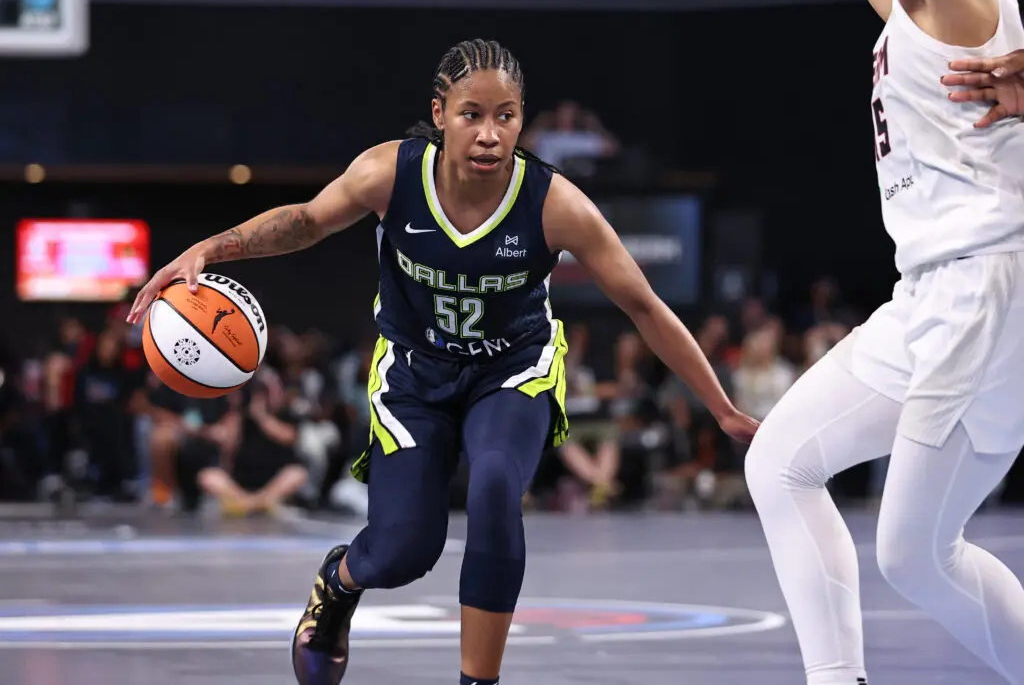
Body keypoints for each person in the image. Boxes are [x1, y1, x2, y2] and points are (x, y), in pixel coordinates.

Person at [126, 38, 759, 685]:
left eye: (506, 116)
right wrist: (210, 249)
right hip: (413, 373)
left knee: (495, 486)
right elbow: (309, 220)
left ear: (522, 118)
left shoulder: (554, 203)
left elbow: (645, 306)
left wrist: (722, 408)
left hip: (511, 370)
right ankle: (338, 583)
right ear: (440, 113)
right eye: (471, 114)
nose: (489, 134)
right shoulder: (390, 173)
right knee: (403, 550)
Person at [746, 0, 1024, 684]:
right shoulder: (924, 3)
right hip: (931, 294)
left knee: (913, 554)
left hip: (983, 290)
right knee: (780, 461)